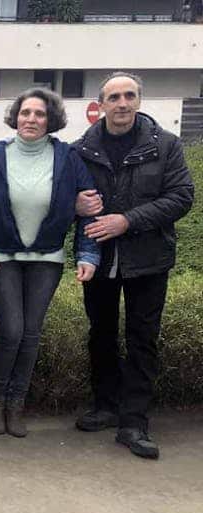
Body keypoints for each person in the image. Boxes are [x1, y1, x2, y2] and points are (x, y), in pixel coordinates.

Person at [72, 72, 194, 459]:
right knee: (101, 333)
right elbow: (65, 194)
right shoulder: (81, 149)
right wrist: (74, 204)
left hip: (149, 258)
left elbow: (181, 196)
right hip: (100, 258)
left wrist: (129, 220)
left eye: (129, 96)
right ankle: (106, 405)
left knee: (142, 339)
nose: (121, 103)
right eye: (114, 97)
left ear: (139, 101)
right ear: (100, 104)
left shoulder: (167, 146)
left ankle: (135, 421)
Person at [0, 87, 100, 438]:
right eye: (26, 112)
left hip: (47, 259)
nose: (31, 119)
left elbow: (90, 206)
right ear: (16, 116)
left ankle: (16, 404)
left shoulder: (68, 158)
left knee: (30, 333)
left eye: (39, 114)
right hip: (2, 257)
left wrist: (87, 254)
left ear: (50, 120)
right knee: (11, 331)